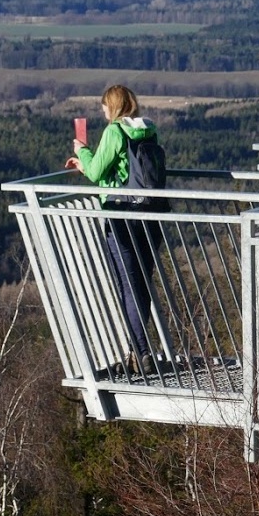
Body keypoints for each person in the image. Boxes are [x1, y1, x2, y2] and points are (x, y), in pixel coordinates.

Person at [65, 84, 164, 375]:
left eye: (104, 106)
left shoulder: (114, 132)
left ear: (113, 106)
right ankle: (138, 351)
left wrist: (82, 153)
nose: (103, 111)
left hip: (121, 216)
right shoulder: (149, 129)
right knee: (142, 284)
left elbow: (97, 173)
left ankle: (142, 353)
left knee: (127, 285)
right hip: (150, 213)